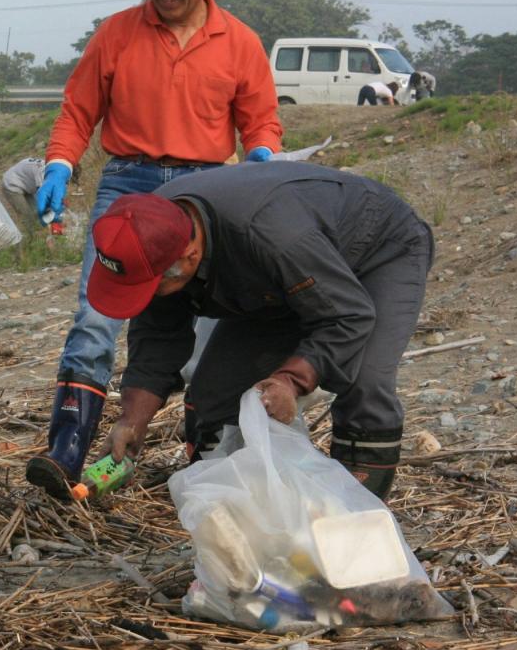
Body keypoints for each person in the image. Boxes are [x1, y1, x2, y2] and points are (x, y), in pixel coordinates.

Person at [24, 0, 284, 497]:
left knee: (214, 322)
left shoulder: (239, 42)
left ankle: (210, 447)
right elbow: (77, 112)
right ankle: (66, 448)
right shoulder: (116, 34)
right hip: (129, 185)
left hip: (206, 192)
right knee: (96, 315)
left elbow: (259, 118)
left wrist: (264, 153)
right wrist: (60, 165)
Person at [82, 161, 433, 501]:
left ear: (189, 256)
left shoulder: (271, 234)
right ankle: (233, 510)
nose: (148, 295)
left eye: (151, 287)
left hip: (377, 252)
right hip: (277, 280)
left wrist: (290, 380)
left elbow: (348, 316)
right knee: (216, 395)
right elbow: (157, 340)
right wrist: (132, 419)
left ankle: (355, 517)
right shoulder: (151, 237)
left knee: (364, 381)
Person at [1, 157, 76, 236]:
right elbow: (45, 204)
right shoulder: (43, 173)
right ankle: (33, 242)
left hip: (25, 182)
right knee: (28, 218)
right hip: (11, 185)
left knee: (36, 214)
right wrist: (57, 221)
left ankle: (42, 236)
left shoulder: (55, 169)